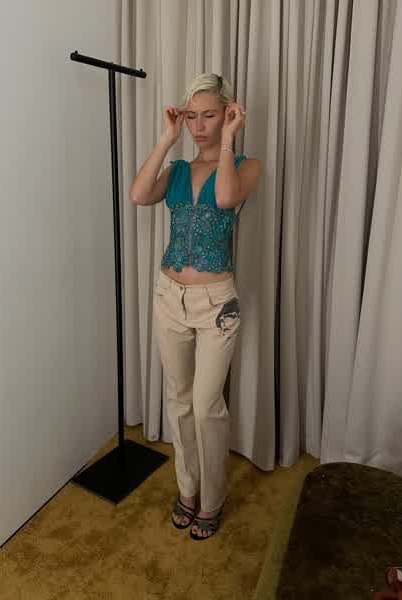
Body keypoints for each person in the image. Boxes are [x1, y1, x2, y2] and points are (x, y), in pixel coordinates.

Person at [130, 73, 263, 540]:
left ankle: (213, 499)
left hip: (215, 304)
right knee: (180, 399)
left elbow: (225, 198)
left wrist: (227, 141)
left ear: (228, 114)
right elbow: (139, 194)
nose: (199, 126)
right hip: (169, 296)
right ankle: (187, 490)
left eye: (210, 116)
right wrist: (166, 139)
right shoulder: (178, 171)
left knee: (207, 406)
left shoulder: (247, 166)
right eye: (192, 117)